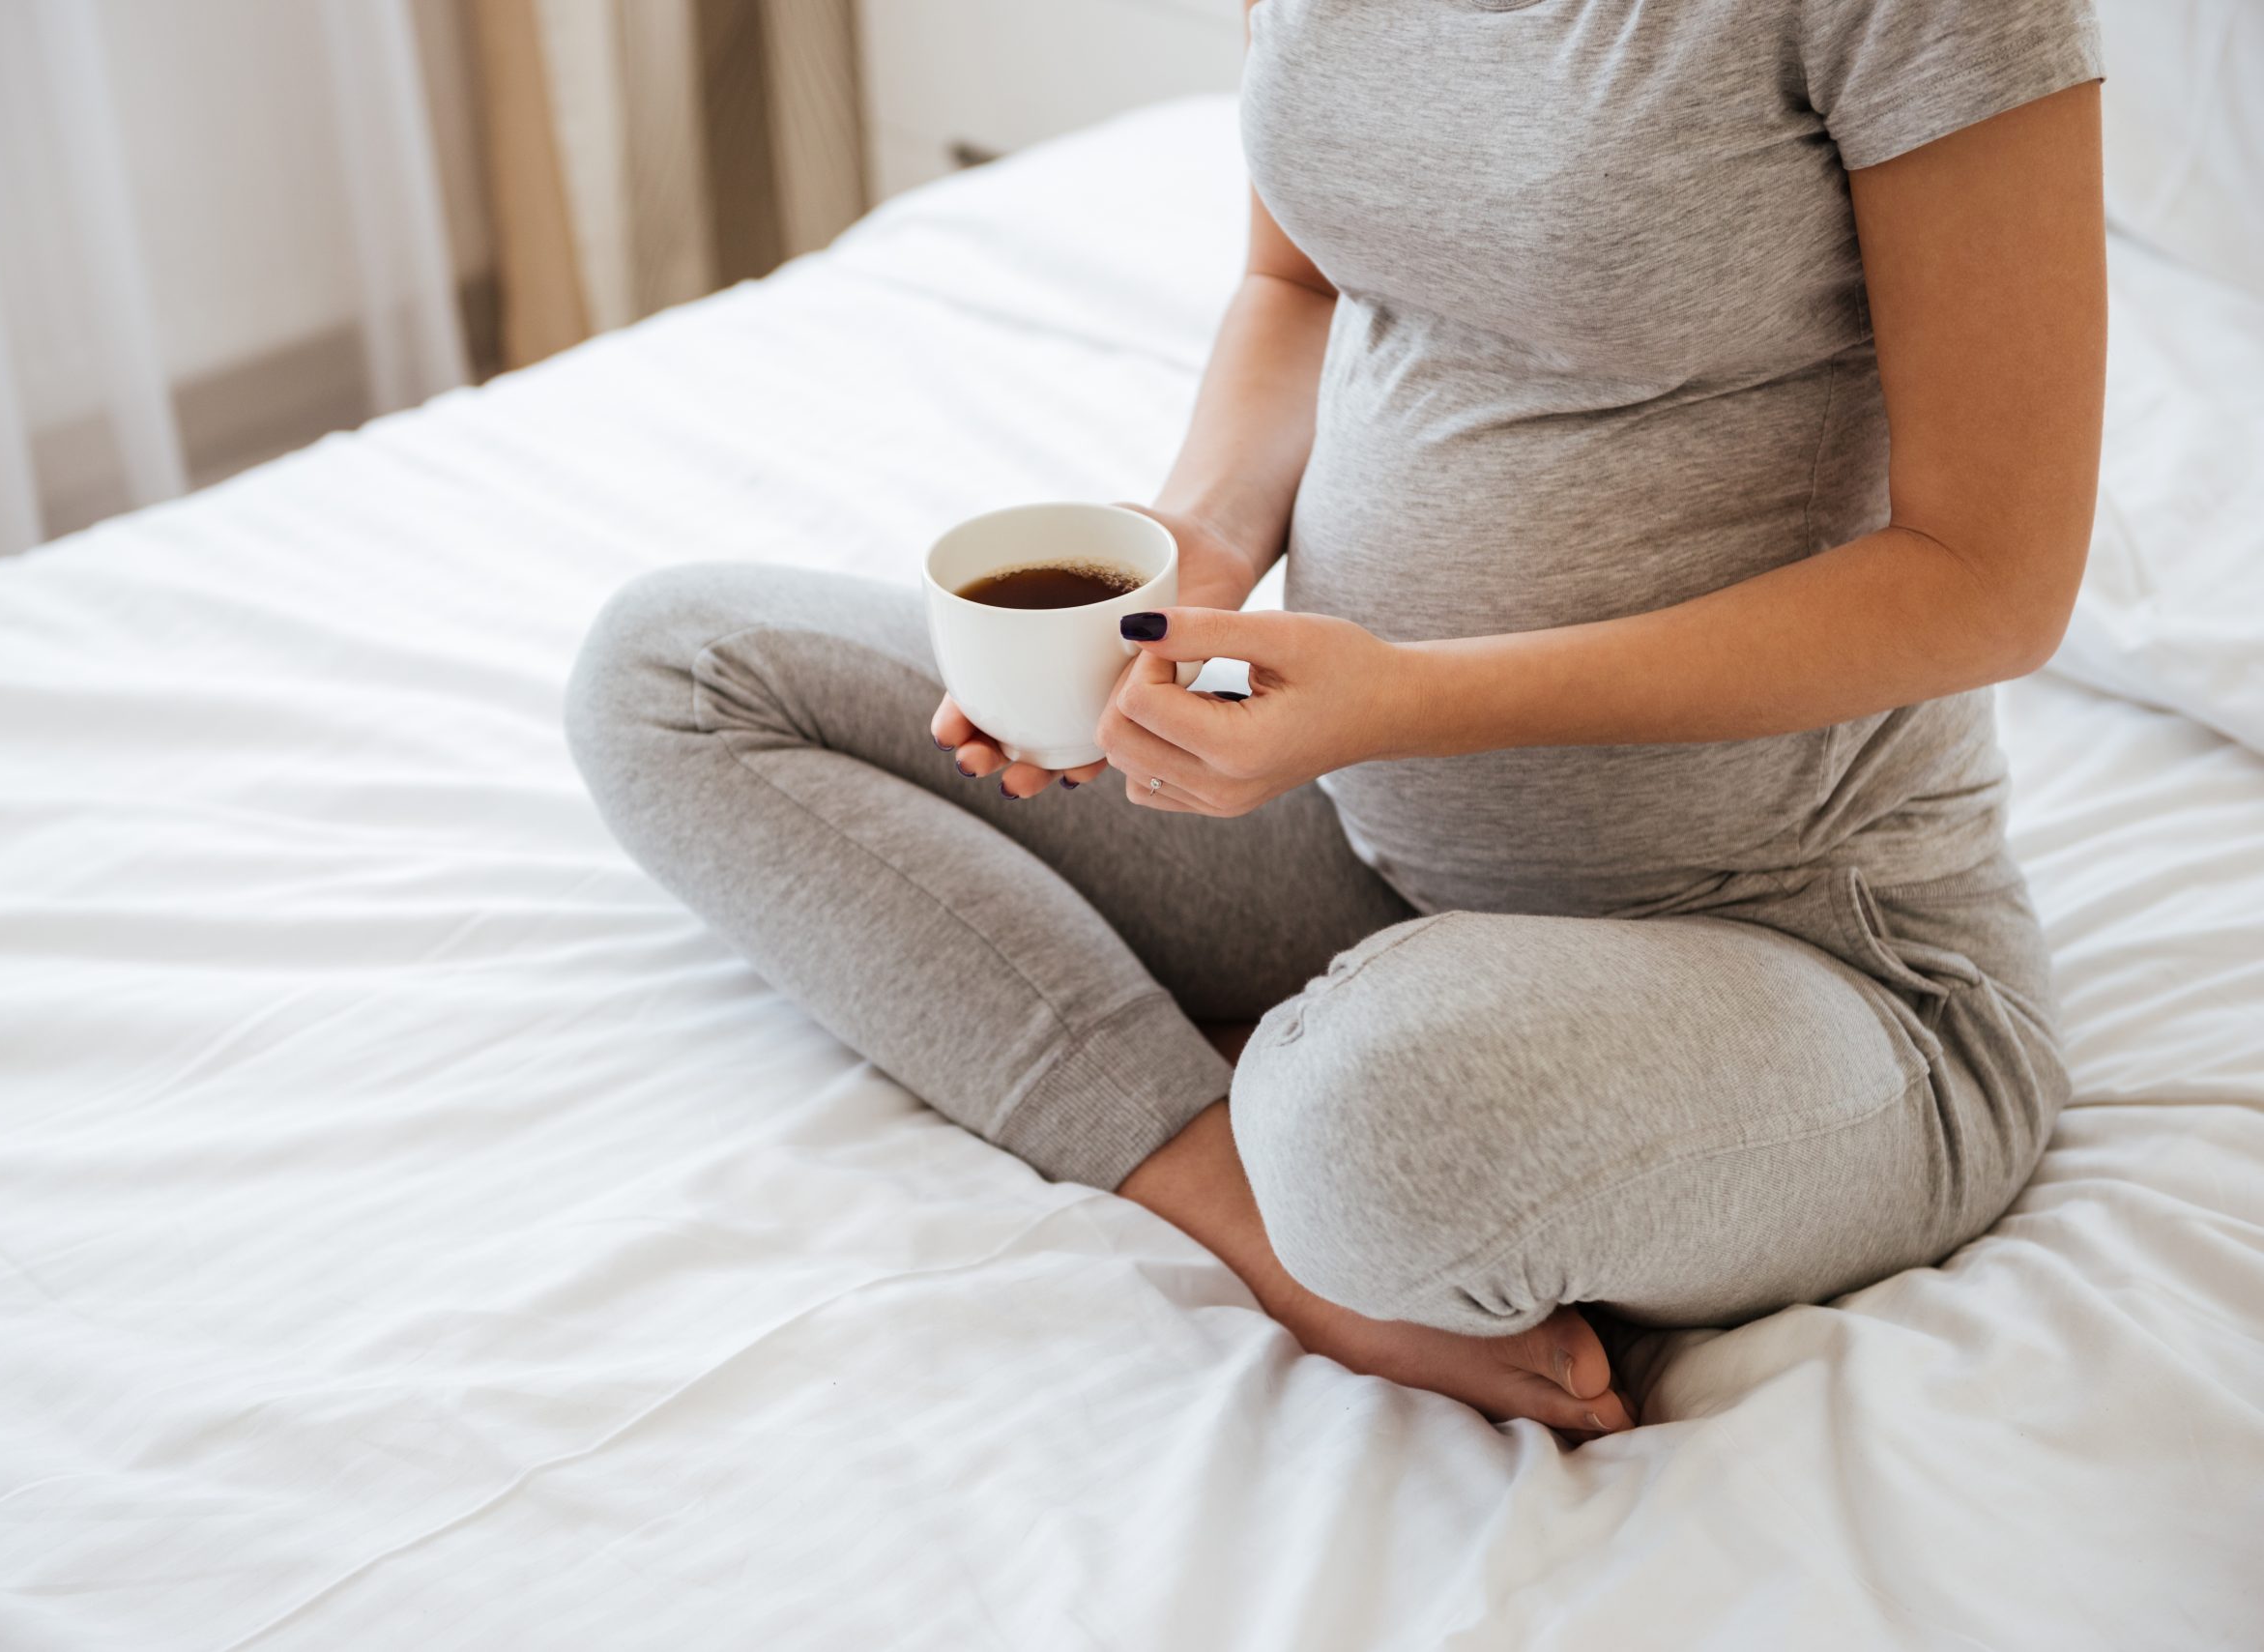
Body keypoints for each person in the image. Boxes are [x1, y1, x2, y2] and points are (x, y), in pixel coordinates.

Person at [566, 0, 2106, 1437]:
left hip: (1803, 946)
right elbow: (1297, 283)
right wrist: (1189, 566)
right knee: (681, 670)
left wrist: (1412, 699)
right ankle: (1233, 1190)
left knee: (1382, 1127)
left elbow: (1991, 581)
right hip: (1361, 834)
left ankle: (1337, 1128)